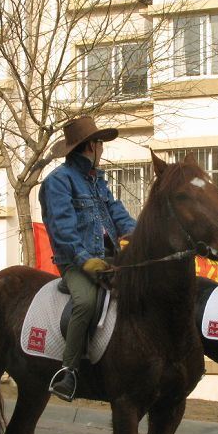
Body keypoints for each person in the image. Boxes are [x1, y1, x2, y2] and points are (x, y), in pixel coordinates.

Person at [39, 116, 136, 401]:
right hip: (75, 262)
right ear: (91, 146)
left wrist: (142, 237)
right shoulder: (58, 181)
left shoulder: (97, 181)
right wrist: (86, 261)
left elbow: (118, 215)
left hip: (111, 257)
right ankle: (68, 372)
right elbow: (62, 230)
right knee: (86, 302)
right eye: (101, 144)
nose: (103, 150)